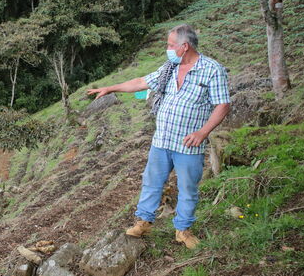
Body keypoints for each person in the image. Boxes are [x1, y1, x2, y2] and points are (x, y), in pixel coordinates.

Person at [86, 24, 230, 249]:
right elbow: (141, 82)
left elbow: (222, 105)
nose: (168, 48)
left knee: (188, 188)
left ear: (185, 46)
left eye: (171, 45)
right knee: (151, 182)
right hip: (162, 140)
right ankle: (143, 221)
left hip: (188, 144)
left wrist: (202, 133)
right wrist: (110, 88)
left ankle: (183, 230)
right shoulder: (170, 67)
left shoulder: (212, 69)